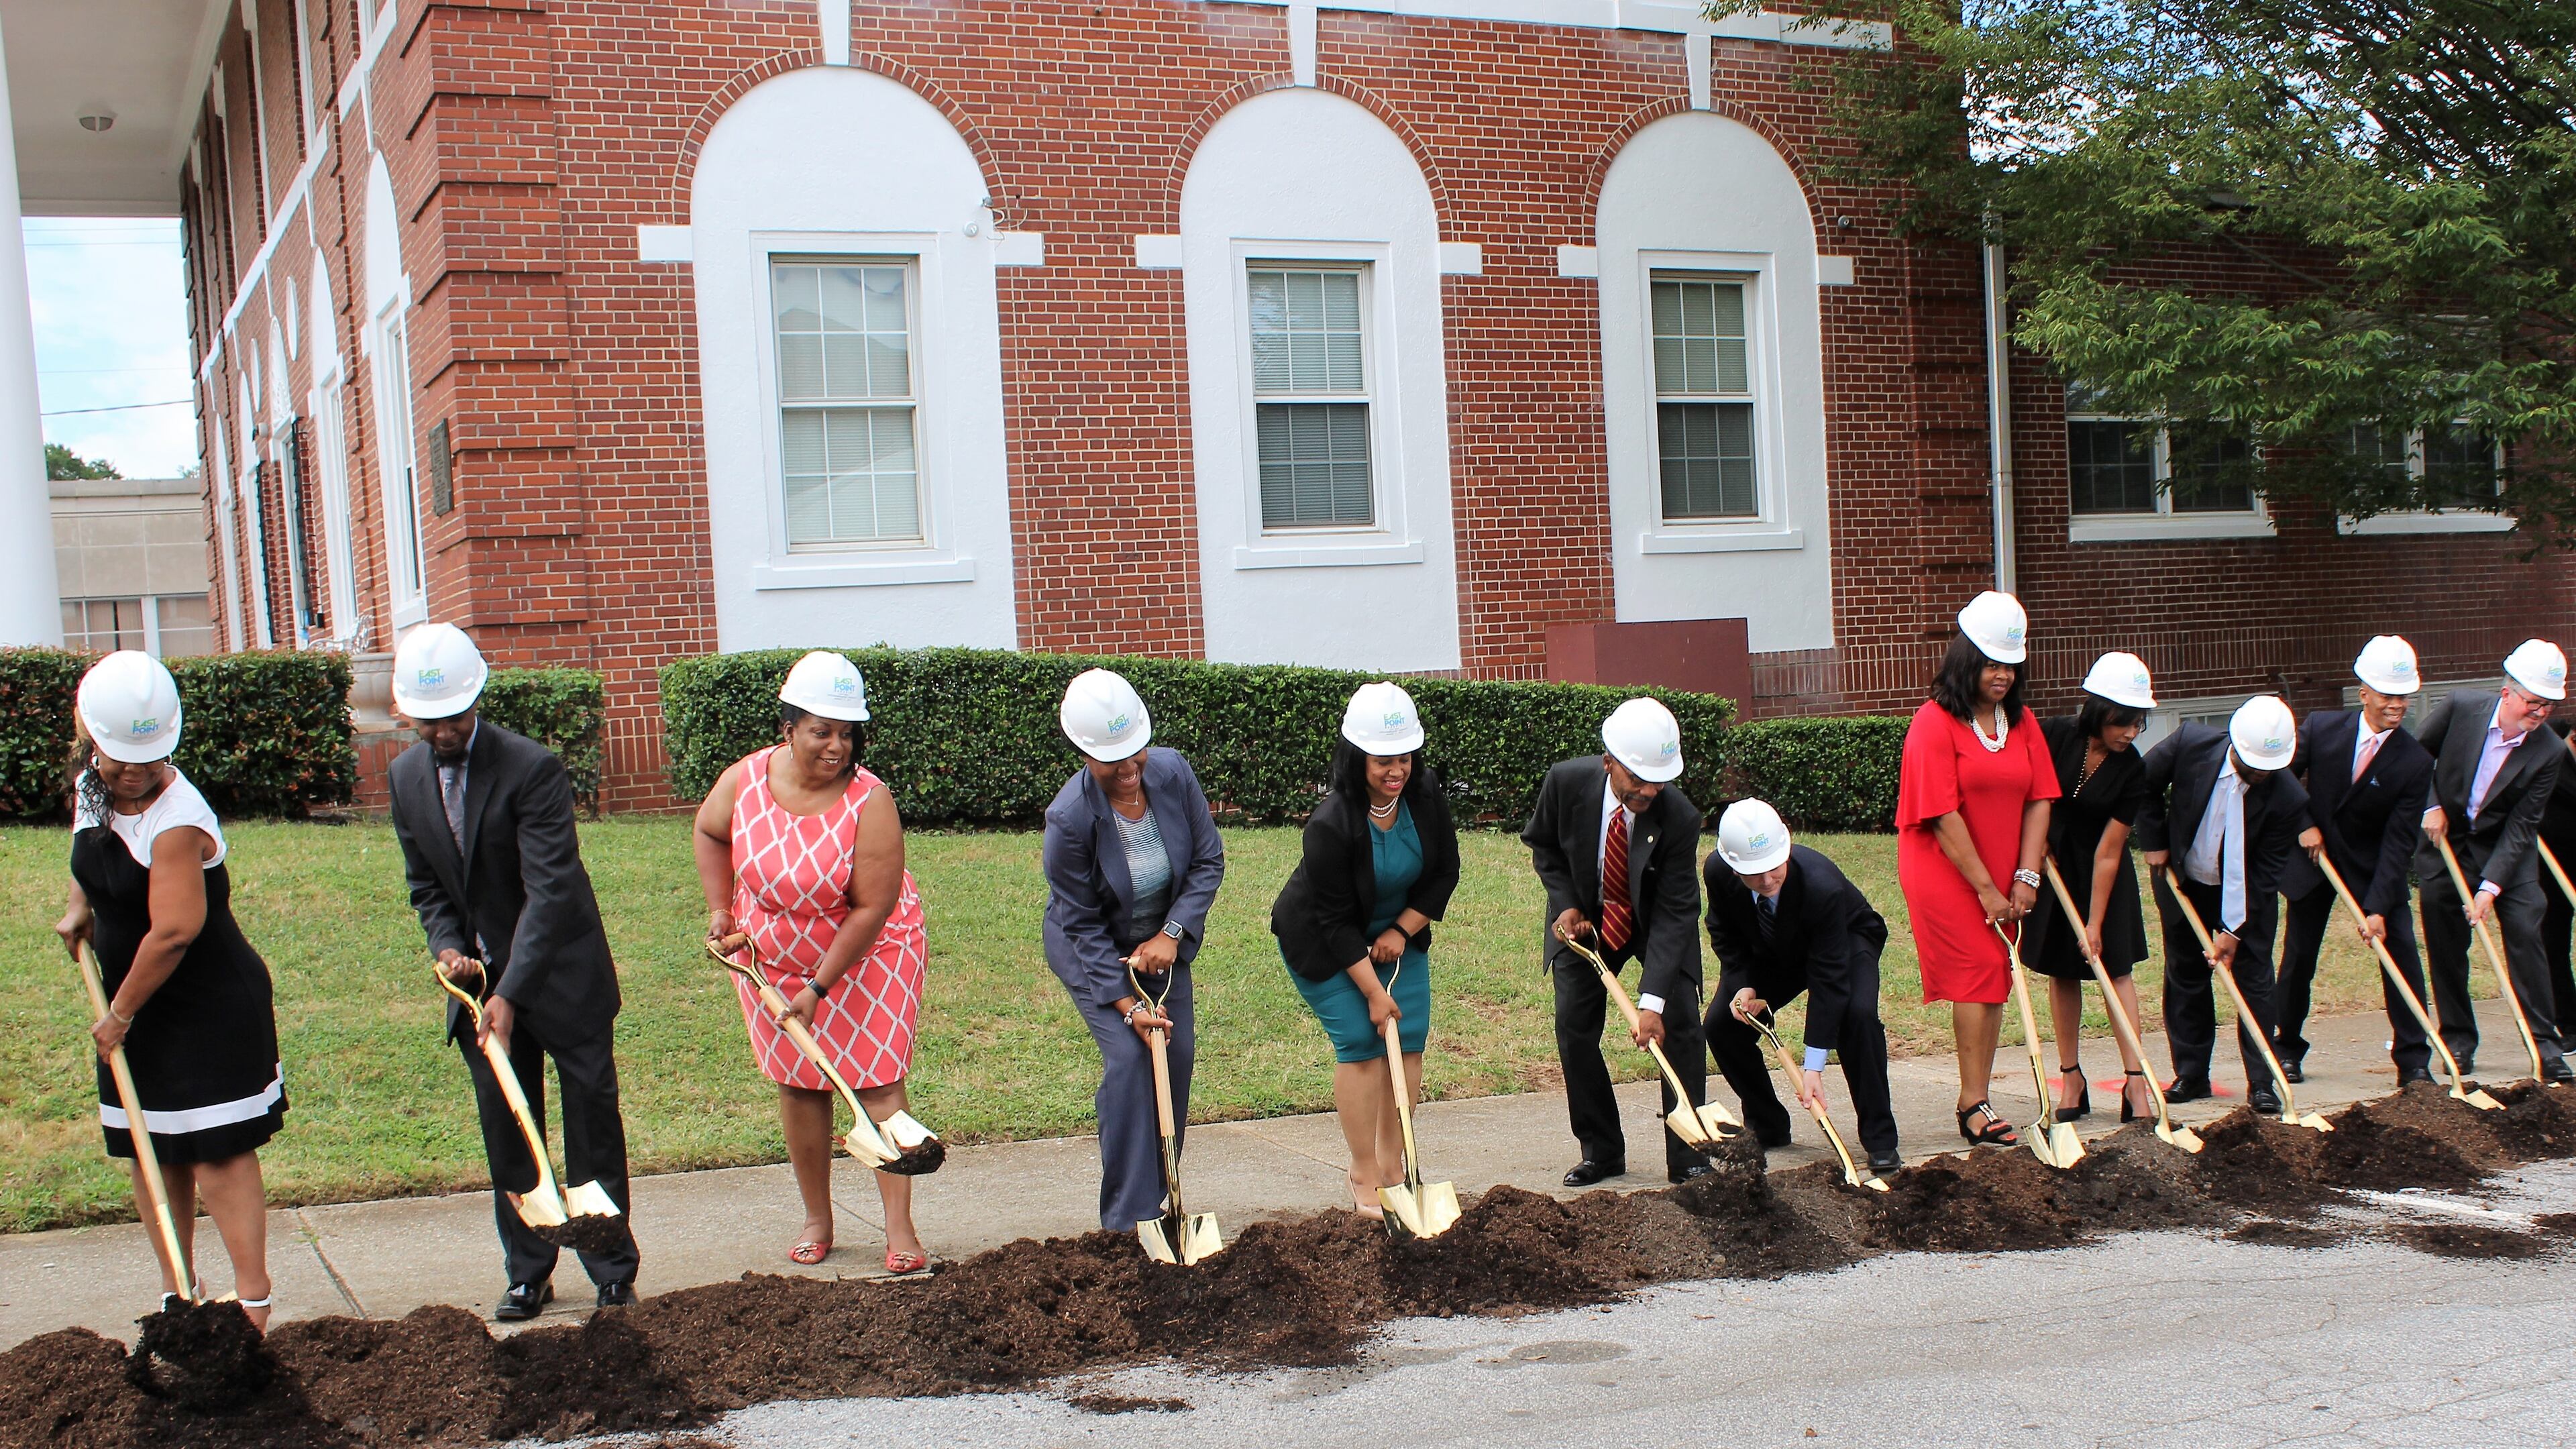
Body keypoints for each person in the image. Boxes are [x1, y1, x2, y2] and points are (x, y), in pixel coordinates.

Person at [386, 623, 638, 1320]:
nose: (443, 732)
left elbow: (550, 890)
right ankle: (529, 1269)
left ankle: (611, 1263)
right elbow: (427, 885)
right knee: (508, 1124)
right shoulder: (405, 777)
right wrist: (448, 951)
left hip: (561, 976)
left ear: (479, 701)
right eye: (429, 721)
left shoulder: (533, 768)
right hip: (482, 987)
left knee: (591, 1119)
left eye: (456, 718)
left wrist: (513, 992)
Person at [53, 652, 284, 1326]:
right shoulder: (91, 787)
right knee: (154, 1153)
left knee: (215, 1154)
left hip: (204, 1008)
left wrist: (119, 1014)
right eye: (118, 757)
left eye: (147, 759)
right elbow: (89, 852)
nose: (133, 772)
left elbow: (174, 933)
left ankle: (252, 1306)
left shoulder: (178, 821)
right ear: (90, 742)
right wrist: (81, 907)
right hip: (139, 1008)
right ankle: (178, 1295)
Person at [694, 651, 931, 1273]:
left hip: (870, 954)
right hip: (772, 956)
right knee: (800, 1084)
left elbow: (871, 907)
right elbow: (711, 831)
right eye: (822, 731)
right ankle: (818, 1217)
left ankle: (899, 1227)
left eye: (848, 733)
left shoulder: (868, 800)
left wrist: (820, 988)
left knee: (877, 1081)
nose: (836, 746)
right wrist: (723, 909)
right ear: (788, 728)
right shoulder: (744, 781)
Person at [1041, 668, 1228, 1232]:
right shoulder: (1068, 821)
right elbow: (1081, 923)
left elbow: (1206, 862)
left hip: (1163, 946)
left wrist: (1171, 935)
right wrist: (1128, 1004)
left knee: (1175, 1057)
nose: (1127, 771)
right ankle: (1128, 1218)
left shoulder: (1172, 773)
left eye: (1135, 754)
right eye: (1111, 761)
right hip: (1092, 949)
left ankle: (1165, 1195)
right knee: (1129, 1061)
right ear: (1082, 753)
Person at [1271, 682, 1460, 1216]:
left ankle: (1393, 1166)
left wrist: (1402, 930)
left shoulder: (1424, 797)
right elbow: (1332, 921)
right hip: (1326, 941)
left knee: (1410, 1038)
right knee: (1361, 1038)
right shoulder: (1331, 824)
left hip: (1396, 927)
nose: (1396, 769)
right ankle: (1362, 1173)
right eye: (1383, 760)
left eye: (1404, 757)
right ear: (1357, 760)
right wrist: (1374, 993)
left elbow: (1446, 869)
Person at [1523, 697, 1711, 1187]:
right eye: (1638, 779)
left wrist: (1652, 1003)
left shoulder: (1679, 817)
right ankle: (1601, 1150)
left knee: (1683, 1025)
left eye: (1659, 780)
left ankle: (1689, 1156)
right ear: (1609, 762)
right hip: (1584, 921)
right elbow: (1543, 844)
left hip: (1651, 922)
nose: (1650, 789)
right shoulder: (1565, 783)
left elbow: (1676, 913)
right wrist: (1565, 903)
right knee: (1574, 1027)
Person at [1894, 591, 2057, 1147]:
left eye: (2011, 664)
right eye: (1991, 663)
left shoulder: (2023, 722)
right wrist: (1988, 888)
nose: (2003, 675)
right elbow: (1940, 815)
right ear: (1965, 659)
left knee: (1996, 978)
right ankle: (1972, 1102)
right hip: (1945, 869)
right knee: (1978, 972)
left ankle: (1978, 1092)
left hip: (2004, 869)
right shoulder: (1933, 723)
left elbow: (2040, 798)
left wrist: (2027, 875)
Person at [2136, 695, 2318, 1112]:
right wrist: (2155, 842)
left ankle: (2261, 1082)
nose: (2260, 776)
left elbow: (2265, 872)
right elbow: (2142, 782)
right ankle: (2192, 1074)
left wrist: (2234, 929)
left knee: (2255, 982)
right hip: (2184, 881)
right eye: (2253, 768)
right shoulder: (2190, 744)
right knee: (2186, 973)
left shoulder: (2288, 797)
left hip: (2248, 893)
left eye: (2268, 771)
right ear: (2234, 743)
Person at [1703, 800, 1901, 1175]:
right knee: (1722, 1026)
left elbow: (1828, 978)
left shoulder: (1820, 884)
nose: (1766, 881)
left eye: (1774, 867)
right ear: (1732, 865)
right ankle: (1768, 1124)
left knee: (1856, 1017)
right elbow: (1724, 932)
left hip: (1846, 938)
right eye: (1754, 873)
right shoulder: (1716, 871)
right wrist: (1744, 984)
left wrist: (1813, 1067)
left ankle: (1880, 1139)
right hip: (1775, 947)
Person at [2275, 637, 2436, 1085]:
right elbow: (2282, 776)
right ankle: (2286, 1046)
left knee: (2401, 952)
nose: (2397, 705)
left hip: (2371, 867)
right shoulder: (2323, 729)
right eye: (2388, 695)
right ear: (2363, 692)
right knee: (2299, 956)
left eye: (2404, 696)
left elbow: (2399, 841)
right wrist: (2303, 822)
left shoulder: (2415, 761)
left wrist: (2380, 906)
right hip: (2316, 859)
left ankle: (2414, 1059)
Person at [2416, 641, 2571, 1081]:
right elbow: (2412, 758)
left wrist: (2489, 889)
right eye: (2533, 702)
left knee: (2526, 930)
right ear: (2508, 692)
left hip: (2507, 850)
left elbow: (2524, 823)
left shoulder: (2549, 751)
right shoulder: (2461, 708)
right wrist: (2430, 805)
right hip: (2448, 843)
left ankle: (2546, 1046)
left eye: (2549, 705)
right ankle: (2458, 1041)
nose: (2540, 713)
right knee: (2446, 943)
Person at [2022, 651, 2156, 1124]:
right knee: (2062, 971)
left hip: (2103, 879)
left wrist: (2096, 921)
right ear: (2100, 709)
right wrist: (2035, 843)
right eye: (2125, 722)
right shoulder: (2057, 734)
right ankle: (2072, 1078)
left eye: (2138, 723)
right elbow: (2029, 791)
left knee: (2115, 972)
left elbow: (2110, 851)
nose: (2131, 733)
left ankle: (2135, 1083)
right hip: (2054, 868)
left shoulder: (2133, 769)